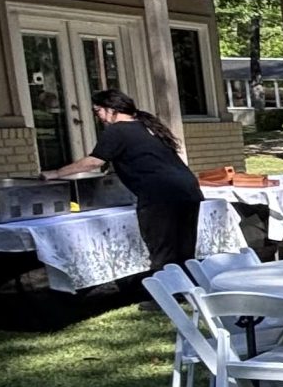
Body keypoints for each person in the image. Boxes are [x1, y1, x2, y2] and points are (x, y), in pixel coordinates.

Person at [42, 90, 204, 271]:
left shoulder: (117, 131)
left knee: (163, 251)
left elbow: (94, 162)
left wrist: (57, 173)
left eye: (98, 111)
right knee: (184, 248)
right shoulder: (146, 127)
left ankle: (167, 293)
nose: (99, 117)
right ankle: (189, 291)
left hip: (160, 195)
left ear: (111, 110)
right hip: (187, 189)